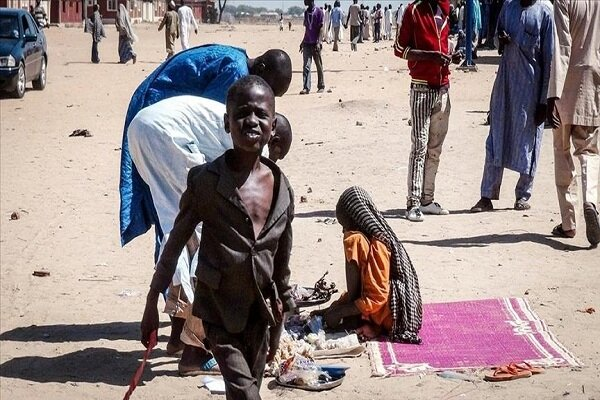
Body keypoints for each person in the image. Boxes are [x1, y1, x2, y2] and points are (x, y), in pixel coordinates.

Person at [141, 75, 296, 400]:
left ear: (272, 125)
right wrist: (152, 300)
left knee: (246, 390)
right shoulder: (205, 183)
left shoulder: (282, 190)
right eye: (242, 113)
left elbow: (281, 256)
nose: (251, 120)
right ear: (227, 122)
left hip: (260, 314)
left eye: (260, 114)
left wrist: (282, 301)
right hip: (218, 314)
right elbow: (175, 241)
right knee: (245, 394)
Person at [471, 0, 553, 213]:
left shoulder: (545, 12)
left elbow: (550, 59)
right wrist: (501, 40)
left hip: (531, 91)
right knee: (495, 139)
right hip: (505, 86)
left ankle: (523, 195)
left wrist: (544, 101)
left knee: (529, 142)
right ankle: (486, 196)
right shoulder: (508, 7)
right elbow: (497, 38)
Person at [317, 186, 422, 343]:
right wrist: (334, 308)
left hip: (397, 317)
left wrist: (342, 312)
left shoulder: (379, 243)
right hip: (382, 312)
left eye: (345, 225)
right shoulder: (371, 239)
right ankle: (368, 323)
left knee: (353, 240)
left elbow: (377, 296)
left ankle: (358, 320)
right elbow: (366, 285)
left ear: (357, 220)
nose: (343, 231)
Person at [395, 0, 462, 222]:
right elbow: (399, 49)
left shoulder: (445, 9)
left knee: (435, 148)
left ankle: (427, 200)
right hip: (421, 86)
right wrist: (430, 56)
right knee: (420, 145)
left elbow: (446, 44)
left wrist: (452, 55)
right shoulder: (413, 10)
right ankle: (412, 203)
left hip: (443, 87)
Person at [547, 0, 600, 246]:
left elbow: (562, 46)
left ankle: (568, 223)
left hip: (565, 81)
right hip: (593, 78)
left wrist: (552, 95)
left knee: (562, 150)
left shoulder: (563, 1)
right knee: (589, 149)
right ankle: (590, 200)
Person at [299, 0, 325, 95]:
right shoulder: (306, 13)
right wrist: (302, 42)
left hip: (315, 43)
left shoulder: (319, 12)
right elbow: (307, 29)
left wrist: (319, 42)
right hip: (307, 43)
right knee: (306, 66)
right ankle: (306, 87)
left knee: (318, 65)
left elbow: (321, 28)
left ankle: (321, 85)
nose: (304, 1)